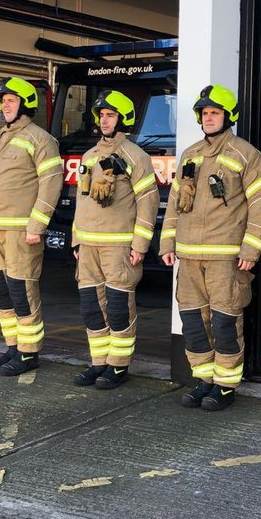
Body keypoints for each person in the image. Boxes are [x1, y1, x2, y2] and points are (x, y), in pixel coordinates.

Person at [160, 84, 261, 412]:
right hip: (190, 256)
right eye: (205, 113)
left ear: (228, 116)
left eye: (215, 113)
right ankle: (204, 380)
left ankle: (225, 385)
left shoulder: (246, 155)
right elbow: (173, 206)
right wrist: (168, 242)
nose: (209, 118)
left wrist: (250, 250)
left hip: (226, 257)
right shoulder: (190, 155)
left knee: (225, 321)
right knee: (194, 321)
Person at [0, 78, 62, 376]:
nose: (5, 105)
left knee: (22, 291)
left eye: (11, 100)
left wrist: (37, 224)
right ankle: (12, 347)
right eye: (3, 101)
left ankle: (29, 352)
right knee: (0, 292)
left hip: (22, 230)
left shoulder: (41, 139)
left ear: (25, 104)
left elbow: (51, 185)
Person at [69, 91, 158, 389]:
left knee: (118, 307)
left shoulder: (136, 156)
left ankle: (118, 366)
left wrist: (139, 245)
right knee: (91, 307)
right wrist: (76, 241)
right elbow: (81, 201)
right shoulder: (90, 156)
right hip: (89, 246)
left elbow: (148, 201)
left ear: (123, 120)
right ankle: (99, 363)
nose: (105, 120)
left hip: (118, 246)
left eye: (110, 115)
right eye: (102, 115)